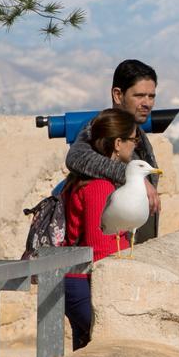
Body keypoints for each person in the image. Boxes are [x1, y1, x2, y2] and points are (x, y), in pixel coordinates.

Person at [63, 108, 139, 350]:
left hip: (78, 282)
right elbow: (102, 248)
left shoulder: (86, 179)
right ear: (118, 143)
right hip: (83, 284)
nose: (136, 145)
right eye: (134, 139)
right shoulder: (100, 187)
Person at [65, 59, 161, 243]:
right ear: (118, 95)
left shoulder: (139, 135)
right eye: (139, 95)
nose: (147, 103)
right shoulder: (101, 129)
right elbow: (77, 157)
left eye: (151, 96)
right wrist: (132, 177)